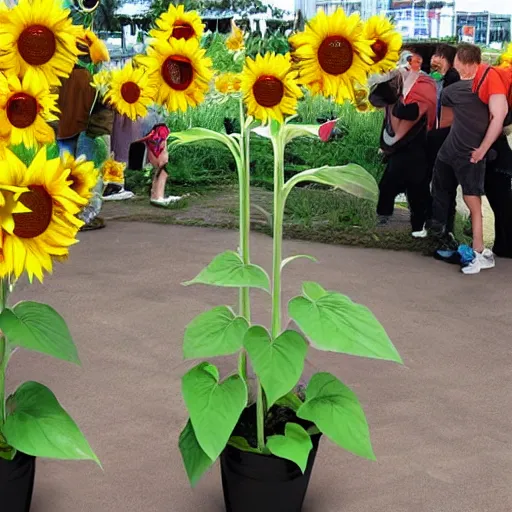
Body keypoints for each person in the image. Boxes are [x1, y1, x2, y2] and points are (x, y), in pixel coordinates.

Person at [431, 43, 509, 274]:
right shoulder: (478, 86)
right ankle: (473, 247)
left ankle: (479, 251)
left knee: (471, 201)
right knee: (471, 200)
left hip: (468, 154)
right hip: (461, 152)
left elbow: (445, 121)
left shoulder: (455, 91)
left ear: (463, 64)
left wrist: (482, 150)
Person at [370, 50, 437, 237]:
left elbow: (411, 114)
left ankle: (420, 226)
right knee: (389, 185)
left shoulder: (424, 85)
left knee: (417, 189)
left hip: (418, 147)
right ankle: (385, 218)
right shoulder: (397, 84)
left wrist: (389, 143)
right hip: (400, 150)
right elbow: (385, 106)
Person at [473, 60, 512, 258]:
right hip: (500, 154)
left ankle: (505, 246)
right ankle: (503, 245)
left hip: (496, 154)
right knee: (502, 204)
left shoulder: (495, 89)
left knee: (502, 204)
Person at [427, 44, 460, 229]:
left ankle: (442, 227)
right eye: (434, 55)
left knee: (443, 184)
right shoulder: (436, 79)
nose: (434, 59)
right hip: (438, 136)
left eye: (440, 56)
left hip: (446, 137)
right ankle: (444, 226)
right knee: (442, 184)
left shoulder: (453, 78)